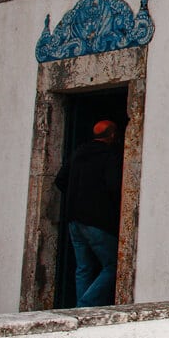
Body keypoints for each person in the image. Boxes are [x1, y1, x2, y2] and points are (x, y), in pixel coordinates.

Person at [54, 119, 123, 307]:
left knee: (83, 268)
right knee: (113, 266)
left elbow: (60, 180)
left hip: (74, 220)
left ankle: (80, 309)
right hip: (97, 221)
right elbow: (113, 186)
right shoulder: (109, 156)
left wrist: (77, 196)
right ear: (112, 135)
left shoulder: (78, 153)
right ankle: (84, 305)